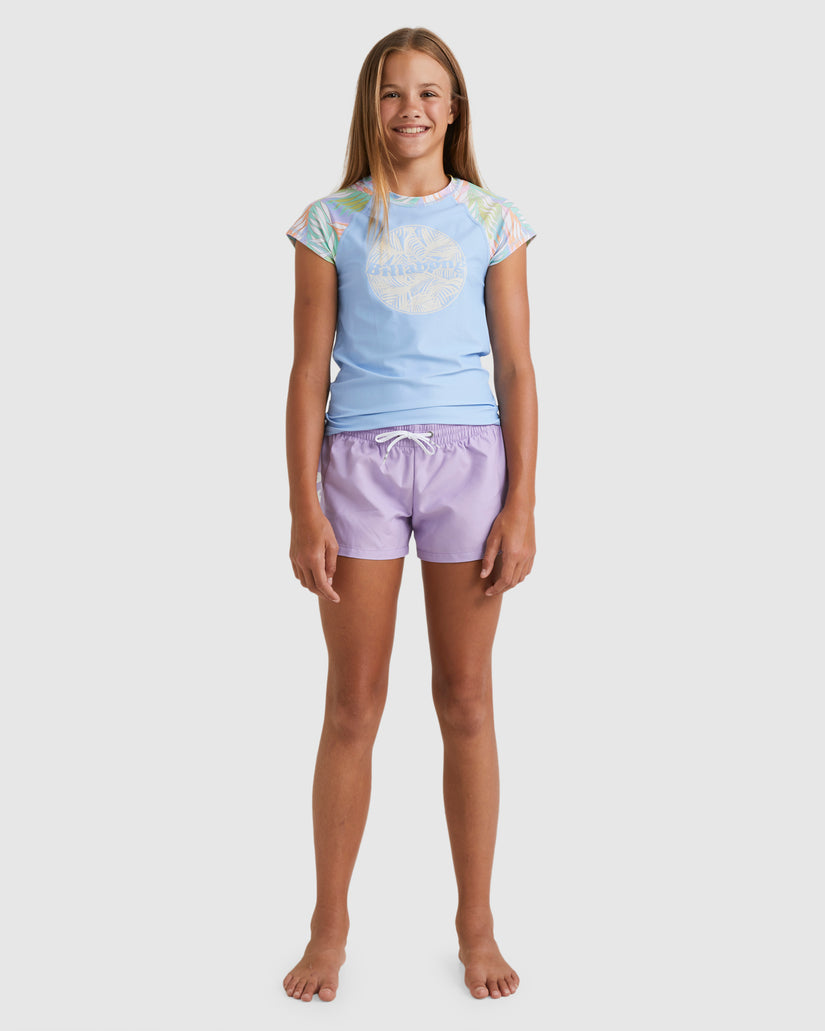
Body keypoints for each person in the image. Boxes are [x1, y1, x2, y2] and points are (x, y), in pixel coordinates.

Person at [282, 26, 537, 1003]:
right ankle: (328, 925)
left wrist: (521, 501)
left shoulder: (492, 221)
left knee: (466, 698)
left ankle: (476, 923)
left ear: (454, 107)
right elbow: (308, 370)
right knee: (353, 702)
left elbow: (516, 369)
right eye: (393, 92)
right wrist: (304, 505)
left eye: (429, 92)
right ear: (370, 106)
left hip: (470, 463)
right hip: (359, 466)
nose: (411, 109)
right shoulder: (329, 223)